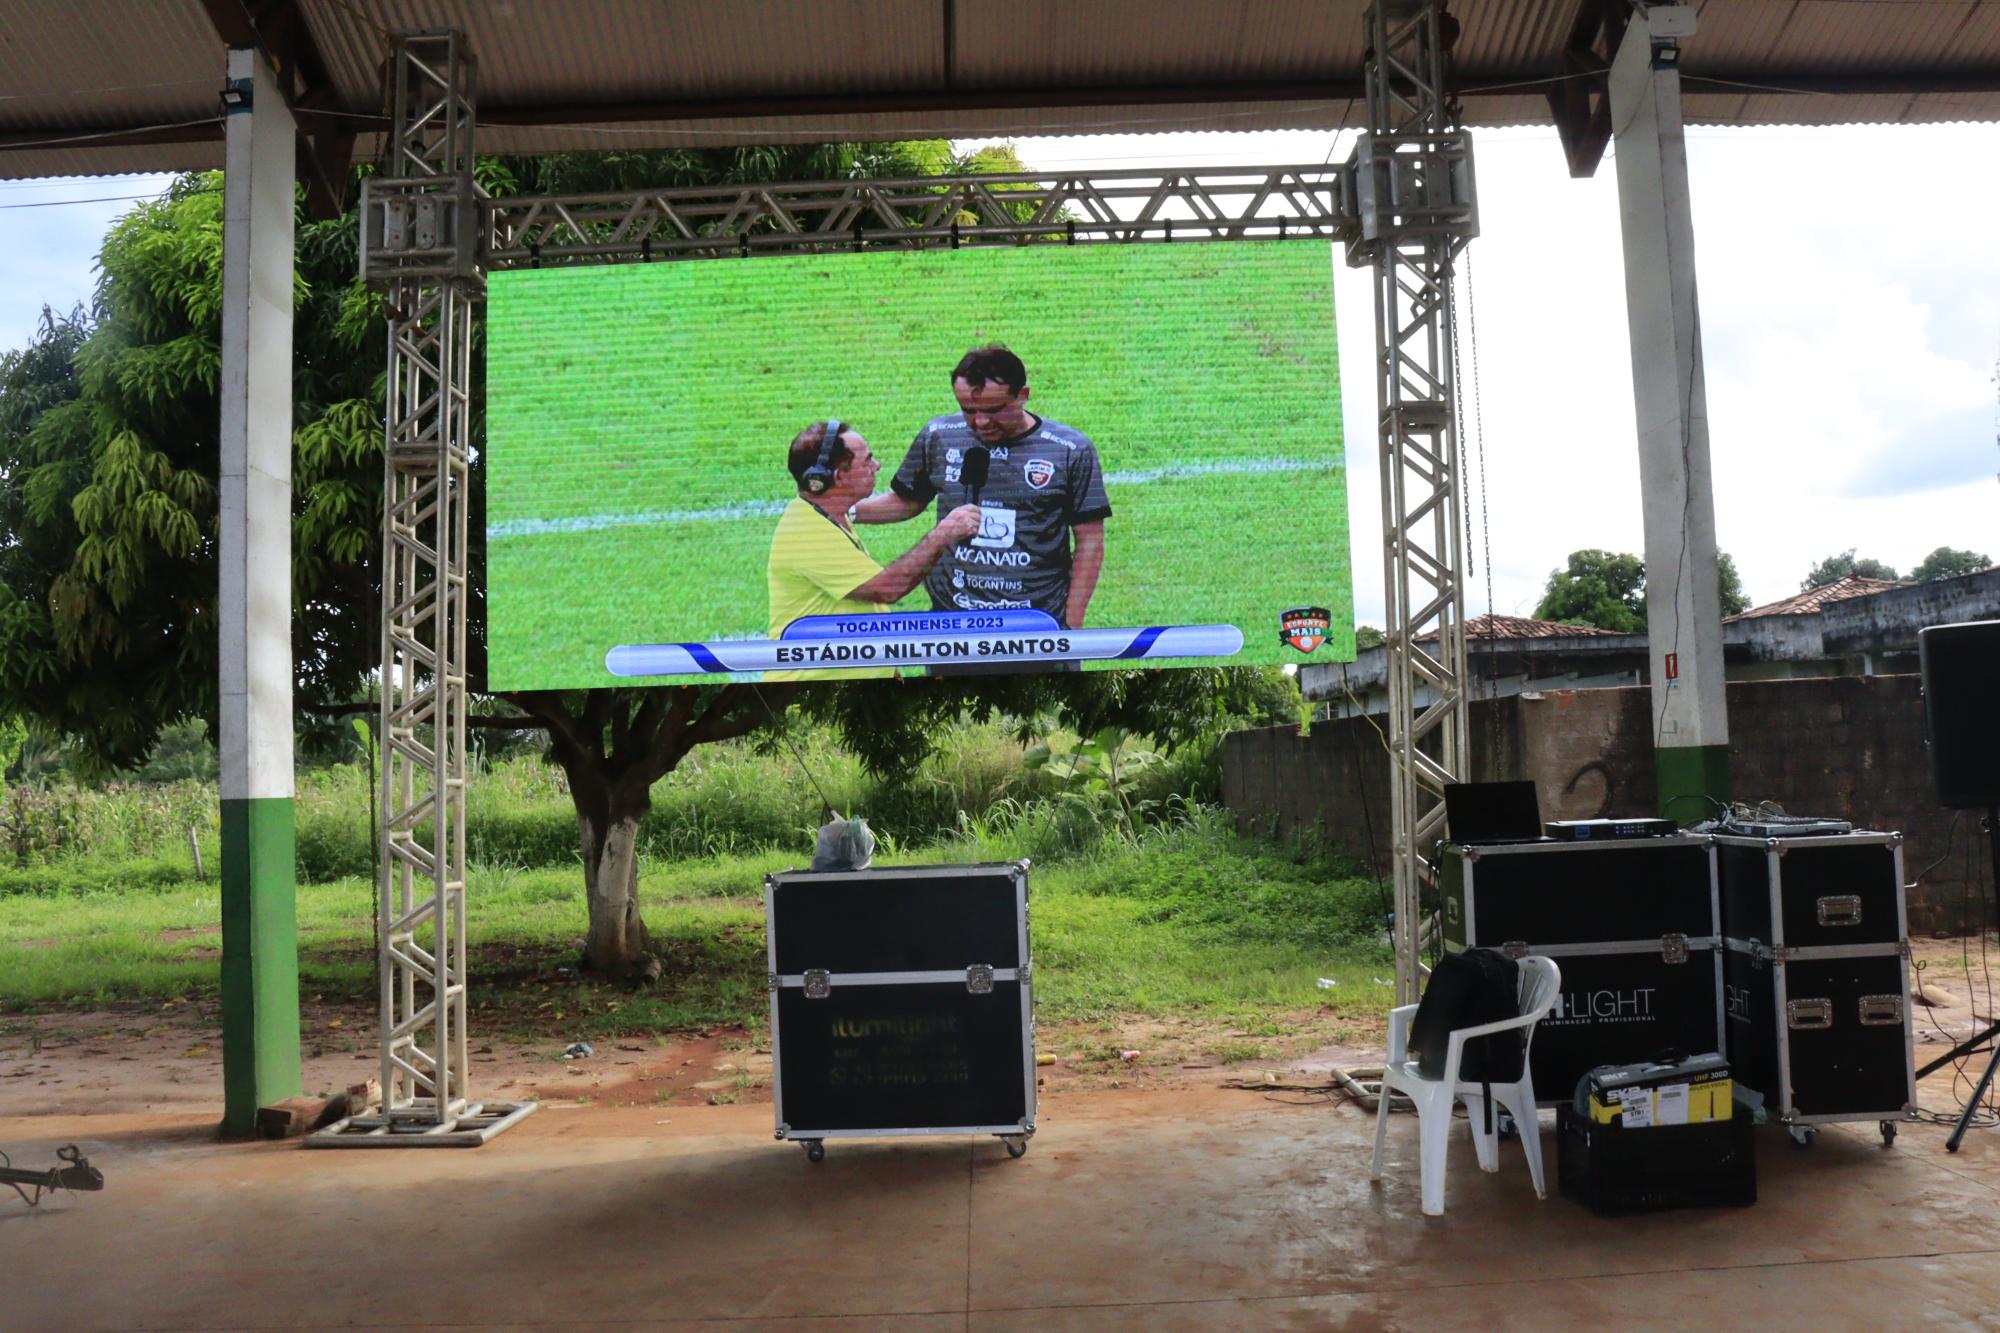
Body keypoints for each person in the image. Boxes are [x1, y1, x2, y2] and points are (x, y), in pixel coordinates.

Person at [855, 346, 1110, 644]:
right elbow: (906, 501)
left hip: (1036, 625)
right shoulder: (939, 435)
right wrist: (842, 512)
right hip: (952, 624)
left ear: (1023, 394)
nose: (981, 423)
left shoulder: (1070, 450)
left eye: (994, 410)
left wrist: (1072, 624)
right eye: (969, 410)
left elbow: (1090, 539)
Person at [764, 420, 982, 682]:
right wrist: (943, 535)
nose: (876, 466)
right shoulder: (808, 534)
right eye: (867, 461)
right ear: (837, 476)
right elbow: (886, 589)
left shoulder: (829, 517)